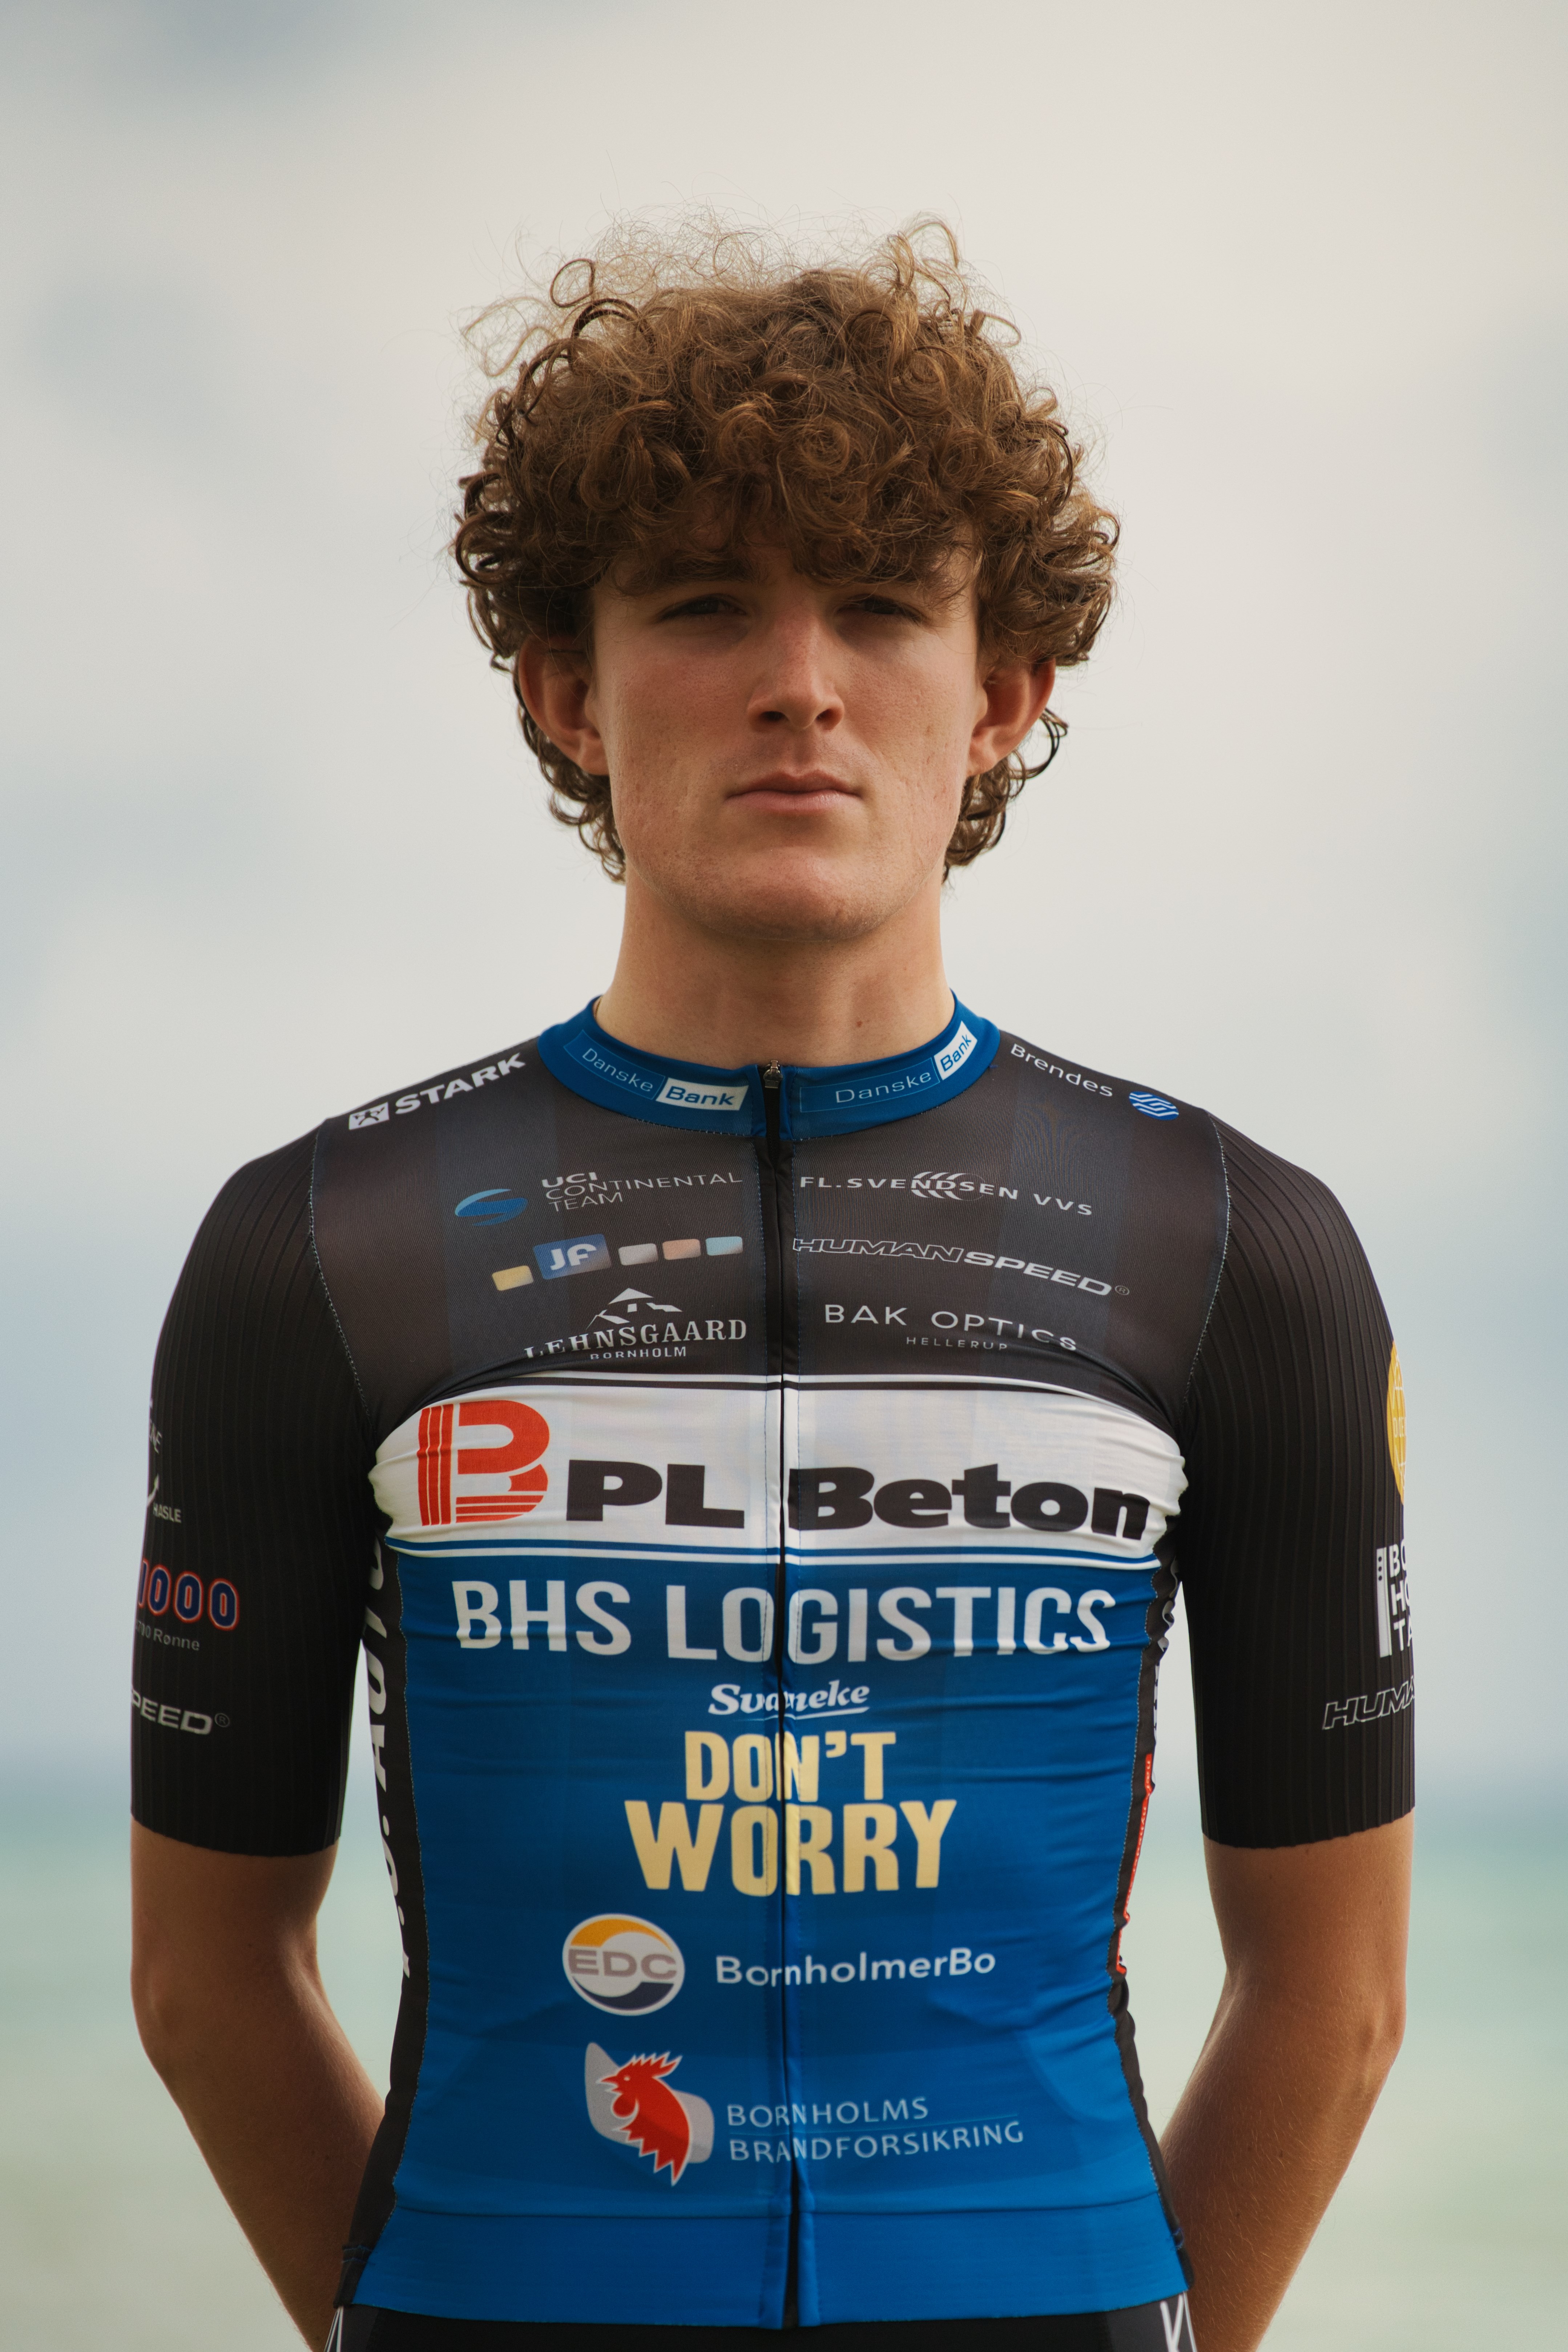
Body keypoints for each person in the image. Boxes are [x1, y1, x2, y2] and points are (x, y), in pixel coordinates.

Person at [128, 225, 1414, 2352]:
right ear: (568, 687)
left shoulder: (1234, 1248)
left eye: (885, 607)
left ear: (1003, 695)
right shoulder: (321, 1246)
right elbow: (204, 1981)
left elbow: (1334, 1995)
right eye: (705, 603)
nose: (801, 680)